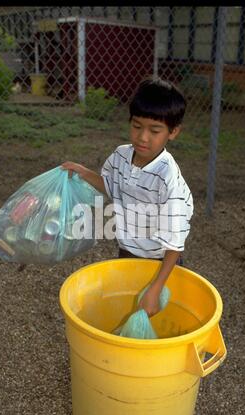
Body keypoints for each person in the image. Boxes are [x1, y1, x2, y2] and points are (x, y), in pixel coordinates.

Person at [61, 77, 193, 317]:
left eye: (154, 130)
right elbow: (113, 187)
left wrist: (156, 287)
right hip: (128, 251)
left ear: (173, 132)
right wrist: (83, 173)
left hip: (160, 261)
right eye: (136, 126)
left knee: (159, 312)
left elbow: (175, 243)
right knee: (130, 304)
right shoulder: (121, 156)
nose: (143, 137)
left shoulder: (167, 178)